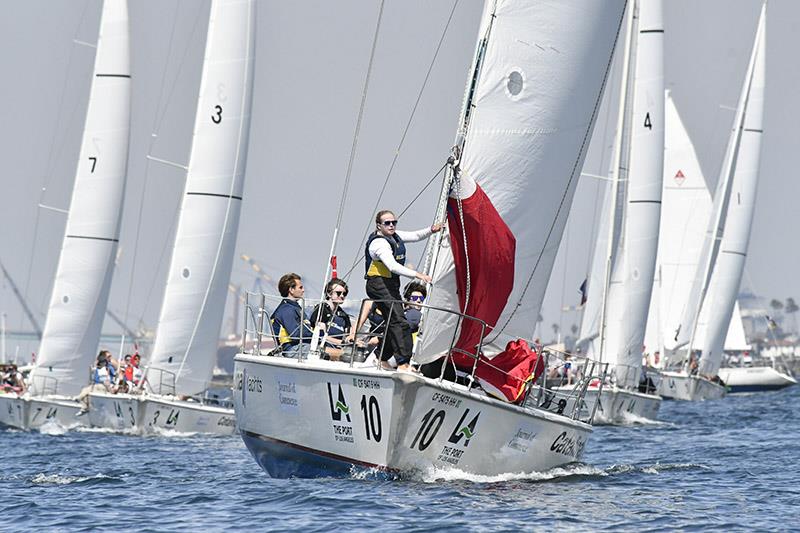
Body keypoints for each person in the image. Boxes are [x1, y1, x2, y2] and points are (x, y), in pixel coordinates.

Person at [356, 210, 441, 371]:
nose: (391, 225)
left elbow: (415, 236)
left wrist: (432, 229)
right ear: (379, 225)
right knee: (399, 321)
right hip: (378, 285)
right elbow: (392, 266)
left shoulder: (394, 235)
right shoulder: (379, 243)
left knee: (393, 321)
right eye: (387, 223)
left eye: (394, 222)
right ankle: (403, 362)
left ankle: (383, 358)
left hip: (390, 286)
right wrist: (418, 275)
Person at [271, 273, 314, 357]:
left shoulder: (295, 307)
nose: (303, 290)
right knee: (330, 353)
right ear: (291, 290)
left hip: (302, 346)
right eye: (300, 287)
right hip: (291, 349)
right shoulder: (286, 309)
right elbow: (295, 335)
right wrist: (316, 334)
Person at [309, 278, 352, 361]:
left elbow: (347, 335)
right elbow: (320, 336)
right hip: (322, 348)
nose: (342, 296)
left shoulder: (344, 315)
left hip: (338, 349)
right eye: (338, 293)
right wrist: (341, 343)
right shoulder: (321, 310)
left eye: (344, 293)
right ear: (329, 294)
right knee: (349, 356)